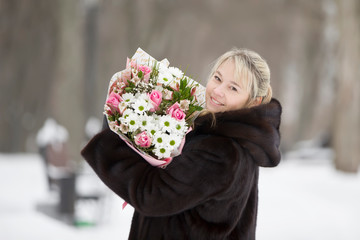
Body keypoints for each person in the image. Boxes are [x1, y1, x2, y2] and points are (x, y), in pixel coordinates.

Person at [81, 48, 282, 240]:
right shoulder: (234, 138)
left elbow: (151, 195)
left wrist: (111, 137)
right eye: (217, 78)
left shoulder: (221, 151)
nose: (218, 91)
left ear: (254, 101)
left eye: (233, 88)